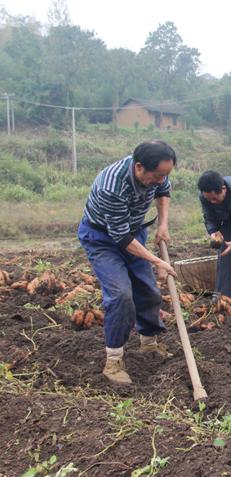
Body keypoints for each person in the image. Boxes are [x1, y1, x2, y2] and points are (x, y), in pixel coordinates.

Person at [78, 140, 178, 385]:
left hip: (134, 232)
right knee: (121, 295)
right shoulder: (112, 186)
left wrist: (162, 224)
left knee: (148, 290)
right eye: (157, 175)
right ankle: (113, 361)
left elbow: (163, 192)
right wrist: (157, 261)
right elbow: (120, 237)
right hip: (102, 239)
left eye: (165, 174)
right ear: (139, 167)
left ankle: (149, 343)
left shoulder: (157, 172)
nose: (160, 179)